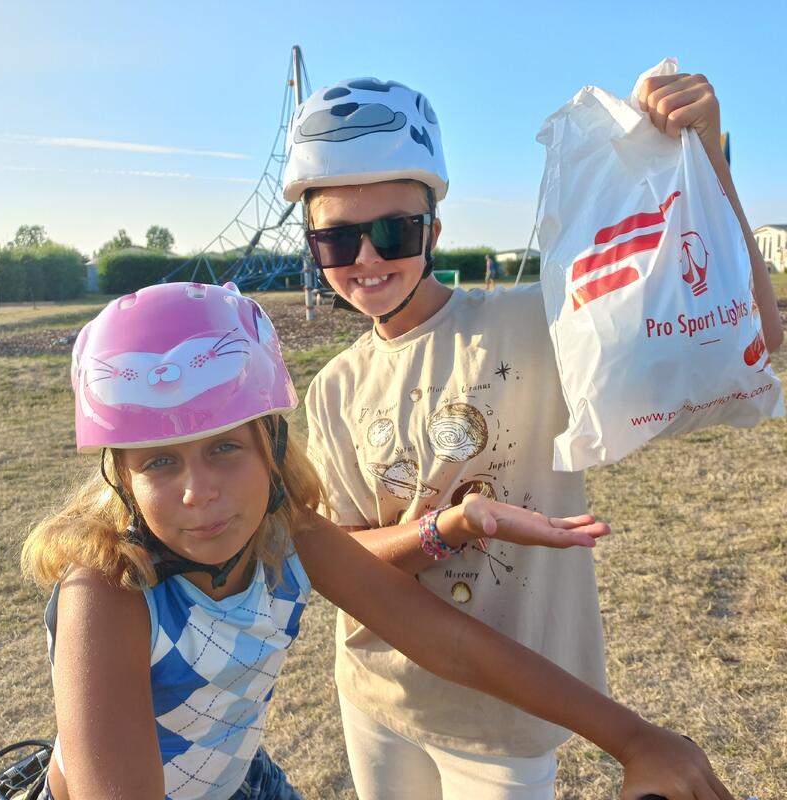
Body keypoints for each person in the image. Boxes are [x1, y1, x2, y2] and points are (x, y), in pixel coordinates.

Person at [20, 281, 735, 800]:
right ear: (119, 476)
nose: (196, 492)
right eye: (159, 462)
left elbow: (445, 640)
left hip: (240, 782)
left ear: (271, 444)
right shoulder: (107, 592)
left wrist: (635, 737)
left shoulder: (283, 534)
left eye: (224, 450)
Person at [288, 74, 783, 799]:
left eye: (392, 230)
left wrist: (706, 157)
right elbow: (344, 552)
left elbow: (748, 332)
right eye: (335, 239)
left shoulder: (538, 325)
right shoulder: (331, 386)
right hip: (376, 698)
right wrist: (446, 528)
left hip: (508, 721)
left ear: (434, 231)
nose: (365, 258)